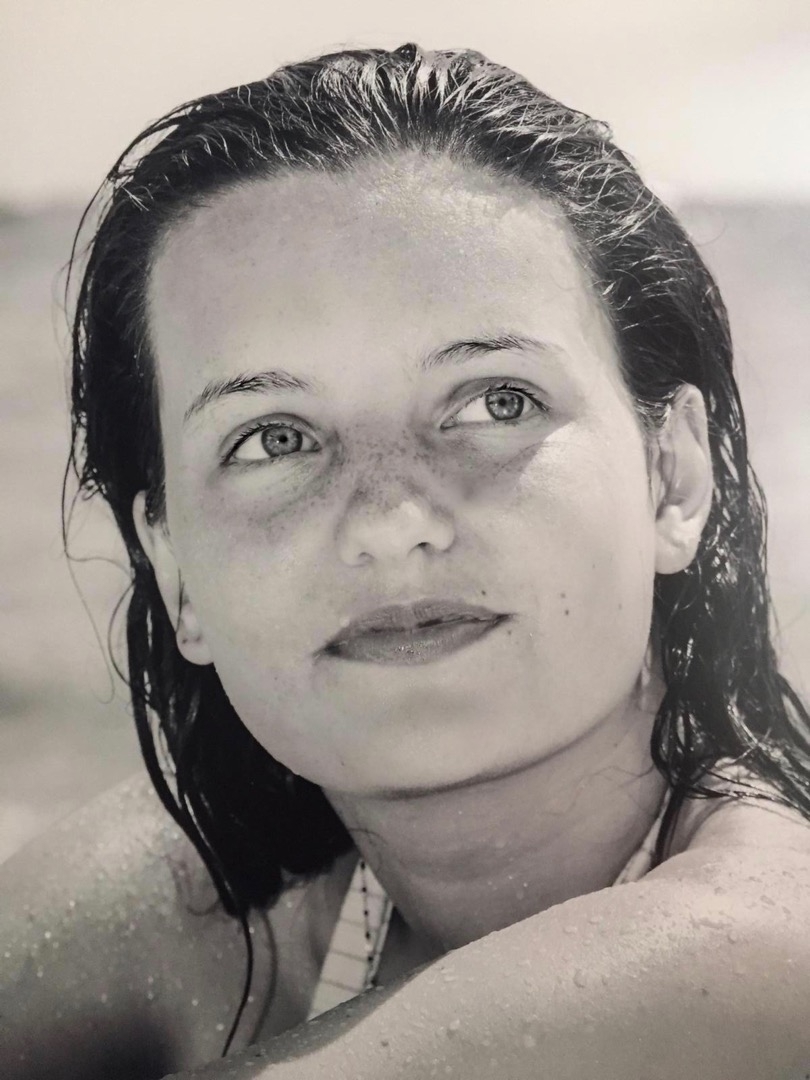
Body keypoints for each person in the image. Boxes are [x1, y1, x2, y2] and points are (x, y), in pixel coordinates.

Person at [2, 42, 810, 1080]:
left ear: (673, 476)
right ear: (174, 569)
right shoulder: (206, 906)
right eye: (275, 438)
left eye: (497, 402)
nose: (390, 519)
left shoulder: (763, 945)